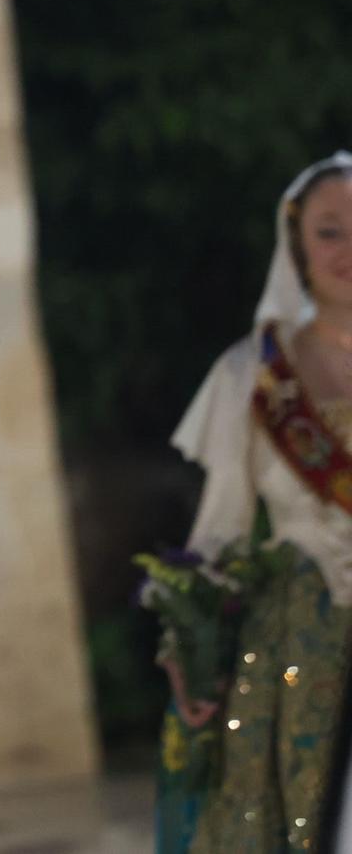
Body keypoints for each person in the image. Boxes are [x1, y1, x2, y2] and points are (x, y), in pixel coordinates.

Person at [157, 153, 352, 853]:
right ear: (296, 245)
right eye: (331, 230)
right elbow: (219, 532)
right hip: (297, 651)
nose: (348, 249)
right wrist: (188, 647)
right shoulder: (250, 375)